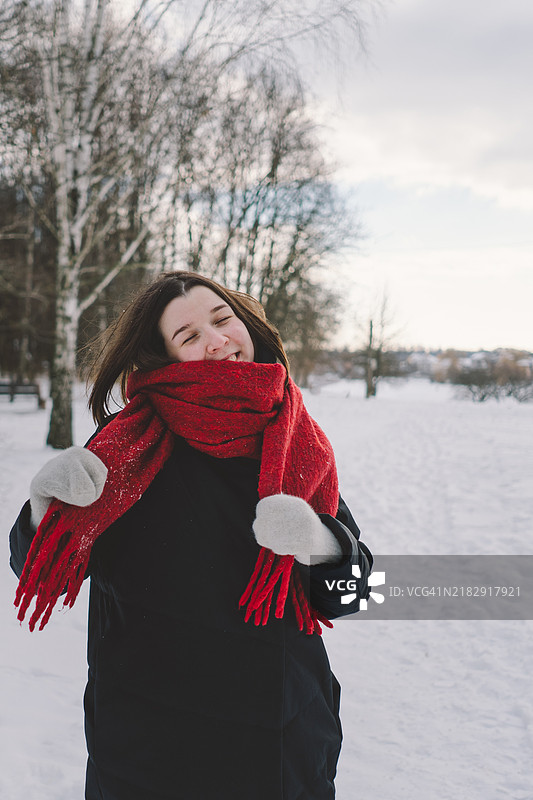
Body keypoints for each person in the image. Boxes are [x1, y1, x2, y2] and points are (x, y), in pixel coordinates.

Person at [9, 271, 373, 800]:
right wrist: (46, 514)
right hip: (152, 750)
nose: (217, 339)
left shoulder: (299, 442)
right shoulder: (128, 445)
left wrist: (322, 544)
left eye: (222, 320)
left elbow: (359, 592)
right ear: (165, 360)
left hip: (282, 743)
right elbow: (36, 565)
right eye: (189, 335)